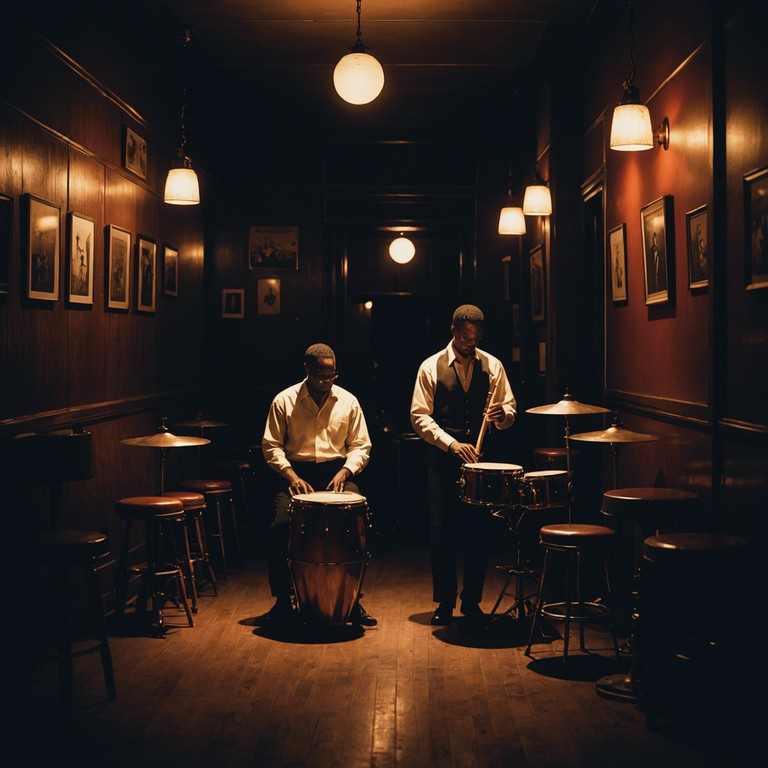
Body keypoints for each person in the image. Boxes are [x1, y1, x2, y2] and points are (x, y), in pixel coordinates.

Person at [410, 304, 516, 625]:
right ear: (454, 331)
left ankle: (471, 600)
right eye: (467, 337)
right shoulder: (430, 366)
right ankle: (444, 602)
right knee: (443, 531)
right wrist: (451, 444)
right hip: (444, 458)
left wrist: (503, 417)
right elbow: (418, 416)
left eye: (477, 337)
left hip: (481, 463)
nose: (472, 343)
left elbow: (510, 407)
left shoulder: (492, 365)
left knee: (478, 531)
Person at [261, 342, 376, 626]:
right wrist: (291, 475)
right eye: (321, 376)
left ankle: (352, 601)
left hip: (337, 473)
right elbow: (271, 446)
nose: (327, 381)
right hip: (296, 474)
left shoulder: (349, 401)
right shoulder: (284, 400)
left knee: (357, 524)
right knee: (280, 526)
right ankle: (283, 601)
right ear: (307, 371)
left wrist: (346, 471)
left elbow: (361, 445)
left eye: (332, 375)